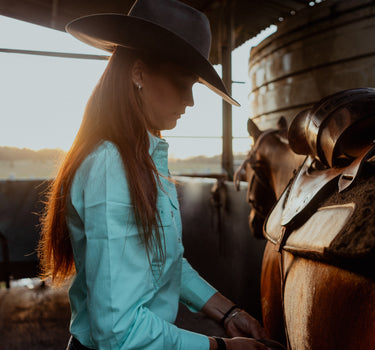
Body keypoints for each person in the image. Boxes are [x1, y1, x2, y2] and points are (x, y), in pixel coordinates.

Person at [38, 0, 274, 349]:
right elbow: (118, 331)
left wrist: (228, 313)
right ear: (138, 74)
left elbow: (164, 263)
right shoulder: (110, 166)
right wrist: (220, 347)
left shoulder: (141, 159)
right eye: (183, 84)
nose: (191, 101)